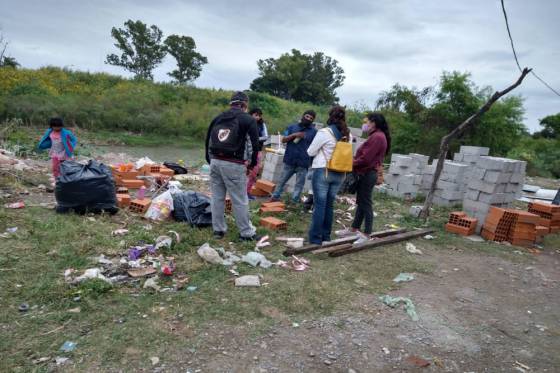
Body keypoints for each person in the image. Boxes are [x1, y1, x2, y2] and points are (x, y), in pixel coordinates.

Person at [205, 91, 260, 241]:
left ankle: (218, 230)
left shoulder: (218, 118)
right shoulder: (248, 120)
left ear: (231, 103)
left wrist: (211, 161)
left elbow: (208, 141)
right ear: (244, 105)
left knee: (217, 198)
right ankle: (246, 233)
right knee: (239, 199)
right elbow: (254, 145)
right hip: (234, 164)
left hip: (215, 161)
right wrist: (253, 164)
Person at [306, 105, 351, 245]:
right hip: (340, 173)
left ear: (330, 116)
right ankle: (326, 237)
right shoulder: (348, 135)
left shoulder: (325, 132)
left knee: (319, 205)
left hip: (323, 171)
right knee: (329, 205)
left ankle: (315, 239)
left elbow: (310, 152)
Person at [349, 112, 390, 234]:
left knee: (365, 203)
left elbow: (366, 158)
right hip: (366, 172)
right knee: (361, 201)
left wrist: (351, 163)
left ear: (373, 123)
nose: (365, 124)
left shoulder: (377, 137)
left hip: (368, 173)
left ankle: (367, 233)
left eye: (367, 122)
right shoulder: (377, 135)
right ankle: (354, 228)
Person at [270, 110, 317, 203]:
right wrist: (295, 135)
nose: (308, 119)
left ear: (313, 120)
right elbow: (283, 140)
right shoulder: (292, 127)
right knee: (282, 181)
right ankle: (275, 197)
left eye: (311, 118)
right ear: (303, 116)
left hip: (303, 163)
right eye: (307, 116)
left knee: (299, 184)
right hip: (290, 160)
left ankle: (294, 202)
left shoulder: (314, 132)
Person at [246, 107, 269, 199]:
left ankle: (247, 192)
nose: (257, 117)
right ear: (251, 114)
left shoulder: (261, 124)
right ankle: (240, 193)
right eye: (256, 115)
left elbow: (266, 136)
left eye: (259, 116)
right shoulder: (245, 122)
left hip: (257, 151)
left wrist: (255, 139)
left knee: (254, 172)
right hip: (245, 151)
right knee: (243, 172)